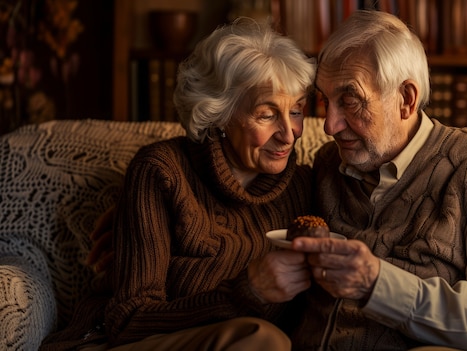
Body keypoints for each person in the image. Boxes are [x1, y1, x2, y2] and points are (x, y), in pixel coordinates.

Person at [40, 18, 316, 350]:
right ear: (220, 113)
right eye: (267, 115)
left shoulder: (305, 187)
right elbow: (127, 321)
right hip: (122, 343)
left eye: (296, 111)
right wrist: (246, 293)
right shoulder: (162, 172)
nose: (289, 134)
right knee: (262, 339)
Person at [286, 10, 467, 350]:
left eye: (349, 101)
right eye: (325, 101)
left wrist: (377, 284)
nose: (330, 126)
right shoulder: (326, 163)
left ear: (406, 99)